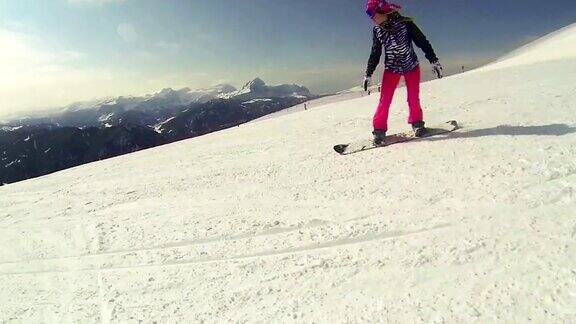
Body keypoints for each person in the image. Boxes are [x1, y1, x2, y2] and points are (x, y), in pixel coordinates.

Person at [363, 0, 443, 145]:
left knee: (413, 97)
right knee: (384, 101)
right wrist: (368, 73)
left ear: (383, 12)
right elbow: (375, 53)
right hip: (391, 69)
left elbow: (422, 42)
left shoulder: (405, 23)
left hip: (411, 66)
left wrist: (433, 60)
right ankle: (379, 131)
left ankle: (417, 123)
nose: (372, 19)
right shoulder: (378, 30)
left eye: (373, 15)